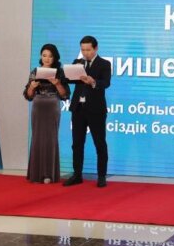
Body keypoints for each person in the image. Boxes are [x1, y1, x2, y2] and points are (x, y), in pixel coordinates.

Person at [63, 36, 112, 188]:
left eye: (88, 50)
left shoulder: (104, 64)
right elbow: (69, 80)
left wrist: (93, 82)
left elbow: (106, 83)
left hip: (96, 110)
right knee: (77, 144)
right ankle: (77, 174)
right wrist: (66, 75)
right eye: (83, 50)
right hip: (78, 109)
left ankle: (101, 176)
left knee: (100, 143)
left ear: (96, 48)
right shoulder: (77, 63)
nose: (85, 53)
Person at [23, 44, 70, 184]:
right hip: (38, 106)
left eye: (50, 56)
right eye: (44, 55)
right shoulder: (35, 71)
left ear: (54, 58)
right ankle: (36, 173)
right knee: (37, 138)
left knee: (50, 139)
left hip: (52, 106)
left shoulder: (59, 73)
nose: (47, 58)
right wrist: (32, 87)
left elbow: (65, 95)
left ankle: (49, 174)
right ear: (41, 57)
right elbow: (28, 95)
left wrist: (57, 84)